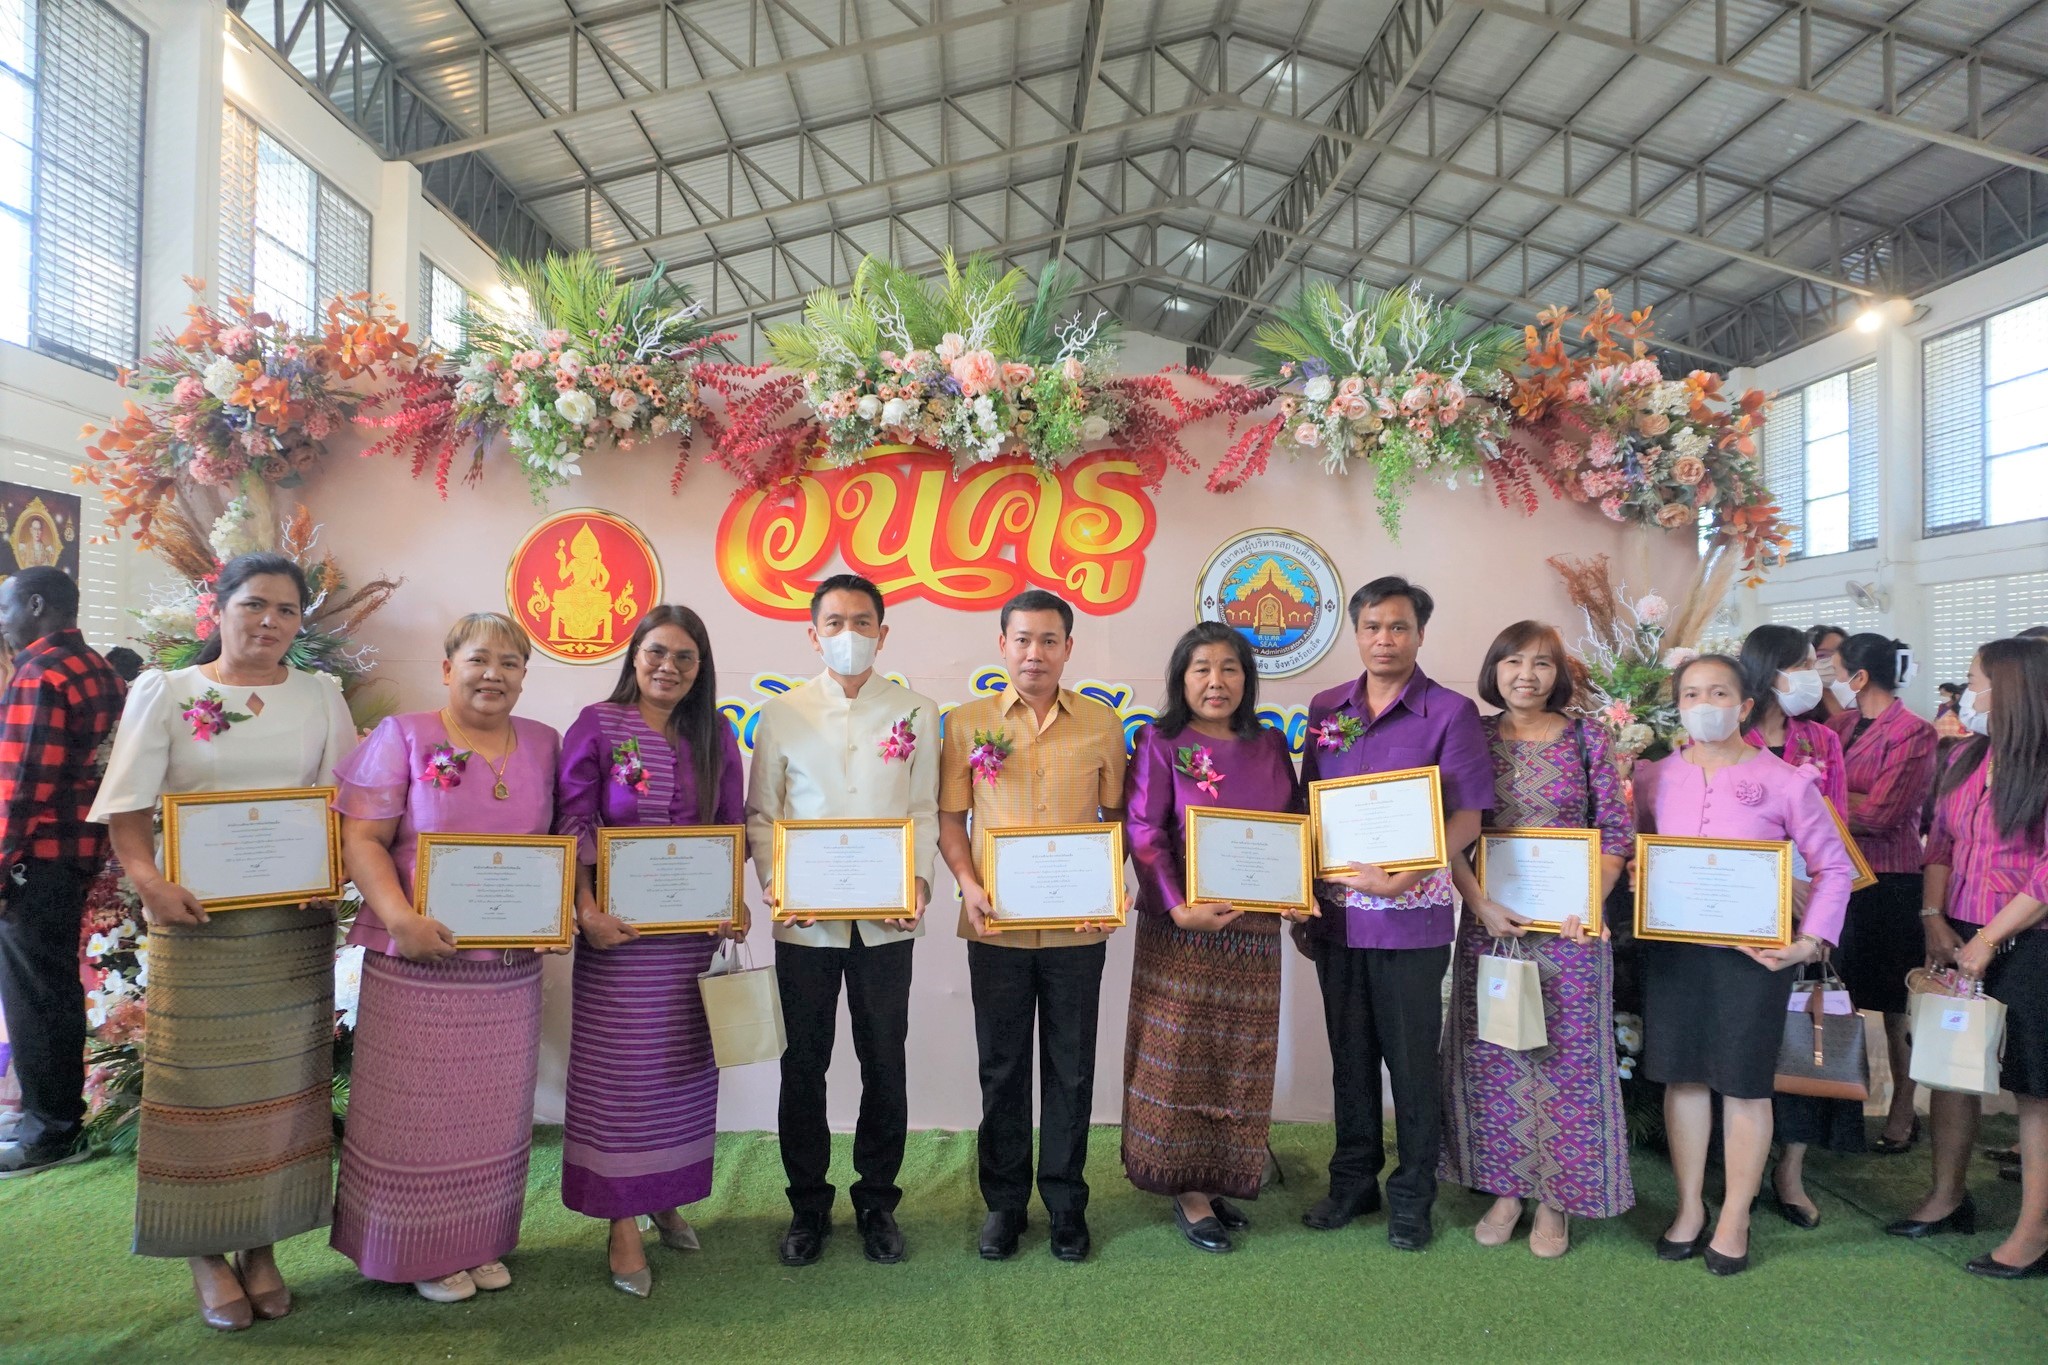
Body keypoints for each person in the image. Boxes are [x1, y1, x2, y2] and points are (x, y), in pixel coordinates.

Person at [87, 553, 355, 1330]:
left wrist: (332, 871)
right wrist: (149, 882)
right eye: (254, 604)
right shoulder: (168, 692)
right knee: (195, 1086)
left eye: (286, 609)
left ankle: (260, 1245)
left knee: (282, 1089)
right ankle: (204, 1249)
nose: (269, 621)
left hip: (291, 925)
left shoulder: (321, 695)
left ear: (300, 621)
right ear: (220, 607)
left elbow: (344, 802)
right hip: (195, 921)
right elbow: (127, 808)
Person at [330, 613, 564, 1304]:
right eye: (479, 659)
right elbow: (362, 839)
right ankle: (413, 1250)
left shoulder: (544, 743)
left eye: (510, 663)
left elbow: (557, 841)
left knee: (493, 1109)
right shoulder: (403, 735)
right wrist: (400, 919)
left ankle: (477, 1238)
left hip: (508, 965)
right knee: (416, 1111)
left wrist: (553, 912)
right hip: (417, 956)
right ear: (447, 668)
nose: (494, 674)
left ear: (524, 676)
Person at [1637, 653, 1852, 1275]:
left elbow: (1833, 867)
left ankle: (1735, 1215)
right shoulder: (1654, 777)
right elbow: (1640, 850)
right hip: (1675, 952)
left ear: (1746, 706)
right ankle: (1688, 1206)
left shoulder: (1786, 780)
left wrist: (1808, 942)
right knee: (1682, 1078)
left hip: (1755, 958)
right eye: (1691, 694)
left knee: (1744, 1083)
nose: (1705, 705)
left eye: (1719, 693)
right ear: (1677, 706)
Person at [746, 574, 938, 1268]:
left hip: (888, 922)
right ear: (813, 634)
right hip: (806, 922)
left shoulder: (916, 711)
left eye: (862, 622)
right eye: (834, 622)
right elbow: (762, 814)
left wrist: (918, 881)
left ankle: (877, 1200)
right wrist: (777, 882)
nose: (848, 634)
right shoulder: (782, 713)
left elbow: (923, 808)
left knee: (885, 1059)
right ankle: (807, 1204)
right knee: (804, 1062)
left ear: (882, 633)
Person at [1298, 576, 1492, 1251]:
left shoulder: (1450, 712)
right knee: (1349, 1059)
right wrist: (1298, 896)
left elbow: (1468, 815)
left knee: (1411, 1065)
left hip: (1411, 920)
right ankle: (1353, 1183)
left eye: (1399, 627)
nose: (1385, 639)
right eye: (1373, 626)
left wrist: (1404, 877)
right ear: (1356, 632)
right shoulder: (1327, 707)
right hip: (1337, 920)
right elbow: (1309, 806)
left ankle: (1413, 1194)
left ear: (1420, 634)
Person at [557, 606, 744, 1297]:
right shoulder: (596, 724)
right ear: (634, 655)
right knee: (622, 1076)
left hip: (691, 940)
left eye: (685, 657)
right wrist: (585, 911)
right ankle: (621, 1220)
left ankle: (665, 1196)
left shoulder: (715, 732)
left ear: (701, 668)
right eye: (656, 652)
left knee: (679, 1071)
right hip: (619, 938)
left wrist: (733, 902)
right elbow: (572, 820)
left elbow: (730, 823)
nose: (669, 667)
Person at [938, 590, 1126, 1265]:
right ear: (1002, 645)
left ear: (1068, 648)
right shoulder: (967, 724)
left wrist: (1105, 883)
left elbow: (1116, 818)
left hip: (1077, 930)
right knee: (1003, 1067)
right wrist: (968, 884)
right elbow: (950, 819)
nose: (1034, 653)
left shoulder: (1102, 723)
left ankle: (1067, 1204)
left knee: (1072, 1069)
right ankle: (1005, 1203)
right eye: (1022, 639)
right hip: (996, 926)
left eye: (1049, 640)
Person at [1439, 621, 1634, 1258]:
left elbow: (1615, 833)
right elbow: (1451, 833)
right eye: (1514, 661)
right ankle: (1506, 1190)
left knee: (1565, 1060)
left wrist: (1588, 902)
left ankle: (1557, 1199)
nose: (1527, 675)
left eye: (1543, 663)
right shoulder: (1472, 736)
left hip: (1571, 932)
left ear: (1559, 674)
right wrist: (1479, 904)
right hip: (1493, 924)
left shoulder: (1587, 737)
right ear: (1494, 669)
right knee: (1495, 1054)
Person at [1123, 621, 1305, 1253]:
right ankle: (1186, 1188)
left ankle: (1222, 1175)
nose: (1216, 681)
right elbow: (1144, 831)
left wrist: (1298, 890)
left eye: (1229, 668)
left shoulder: (1270, 743)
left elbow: (1294, 822)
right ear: (1181, 678)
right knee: (1181, 1056)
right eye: (1201, 668)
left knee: (1239, 1055)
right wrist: (1178, 907)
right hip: (1183, 931)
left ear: (1246, 679)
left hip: (1254, 931)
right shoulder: (1160, 741)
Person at [1888, 636, 2048, 1278]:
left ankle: (2034, 1231)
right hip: (1957, 928)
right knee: (1950, 1065)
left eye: (1977, 682)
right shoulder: (1966, 756)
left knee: (2035, 1088)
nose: (1966, 695)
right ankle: (1948, 1197)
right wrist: (1934, 919)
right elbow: (1941, 842)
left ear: (2013, 691)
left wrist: (1988, 939)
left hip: (2028, 938)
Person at [0, 568, 124, 1177]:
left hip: (33, 857)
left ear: (35, 604)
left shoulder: (39, 671)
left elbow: (22, 785)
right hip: (74, 852)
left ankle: (49, 1132)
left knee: (33, 996)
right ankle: (51, 1117)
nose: (2, 622)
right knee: (52, 990)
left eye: (5, 608)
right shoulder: (98, 668)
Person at [1738, 625, 1851, 1226]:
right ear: (1769, 670)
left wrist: (1820, 906)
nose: (1815, 674)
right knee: (1752, 1040)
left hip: (1813, 913)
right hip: (1745, 910)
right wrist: (1782, 885)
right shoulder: (1733, 736)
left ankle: (1792, 1170)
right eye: (1805, 663)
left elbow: (1837, 829)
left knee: (1806, 1033)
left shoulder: (1822, 740)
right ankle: (1744, 1166)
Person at [1826, 634, 1937, 1157]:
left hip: (1890, 878)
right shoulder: (1840, 725)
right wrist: (1838, 796)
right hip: (1838, 875)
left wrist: (1823, 799)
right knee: (1837, 993)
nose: (1829, 679)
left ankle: (1903, 1109)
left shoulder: (1913, 731)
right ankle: (1839, 1107)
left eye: (1834, 669)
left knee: (1893, 1005)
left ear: (1861, 676)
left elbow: (1882, 814)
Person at [1807, 623, 1852, 721]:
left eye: (1840, 654)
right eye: (1822, 655)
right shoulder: (1799, 700)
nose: (1833, 661)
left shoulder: (1858, 691)